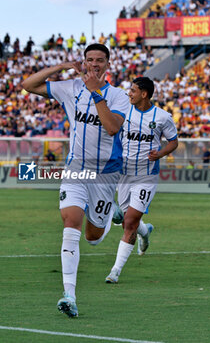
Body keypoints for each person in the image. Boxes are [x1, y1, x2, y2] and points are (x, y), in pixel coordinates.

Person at [22, 43, 129, 317]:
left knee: (93, 237)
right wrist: (61, 67)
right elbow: (28, 84)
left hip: (104, 176)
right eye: (90, 60)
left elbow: (112, 127)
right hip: (75, 171)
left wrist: (95, 93)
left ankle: (110, 216)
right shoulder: (70, 87)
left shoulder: (118, 96)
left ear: (107, 64)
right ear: (84, 62)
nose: (94, 64)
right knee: (71, 222)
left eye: (100, 60)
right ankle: (69, 294)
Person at [105, 77, 178, 284]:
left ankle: (115, 271)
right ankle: (145, 233)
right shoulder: (124, 113)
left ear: (144, 94)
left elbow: (173, 142)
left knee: (129, 222)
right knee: (128, 222)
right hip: (124, 175)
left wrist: (161, 153)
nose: (129, 93)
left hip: (146, 176)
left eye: (133, 90)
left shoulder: (162, 117)